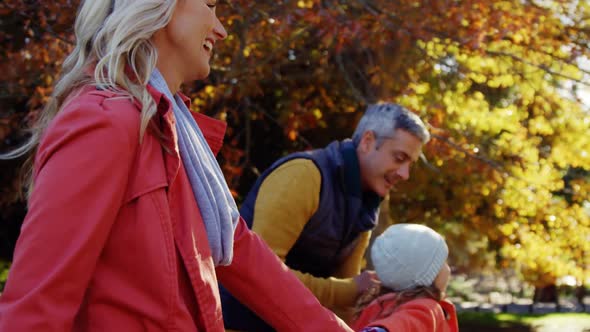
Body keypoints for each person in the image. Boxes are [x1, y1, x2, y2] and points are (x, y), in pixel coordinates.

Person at [0, 1, 353, 331]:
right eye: (211, 6)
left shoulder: (173, 133)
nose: (221, 30)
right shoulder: (104, 122)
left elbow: (241, 252)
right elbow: (36, 308)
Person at [221, 103, 431, 331]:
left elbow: (346, 295)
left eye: (410, 164)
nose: (405, 174)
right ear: (368, 142)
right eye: (400, 158)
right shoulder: (303, 175)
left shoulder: (366, 203)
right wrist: (350, 290)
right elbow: (260, 275)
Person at [351, 223, 458, 332]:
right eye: (443, 262)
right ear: (430, 275)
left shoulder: (377, 305)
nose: (448, 268)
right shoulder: (423, 309)